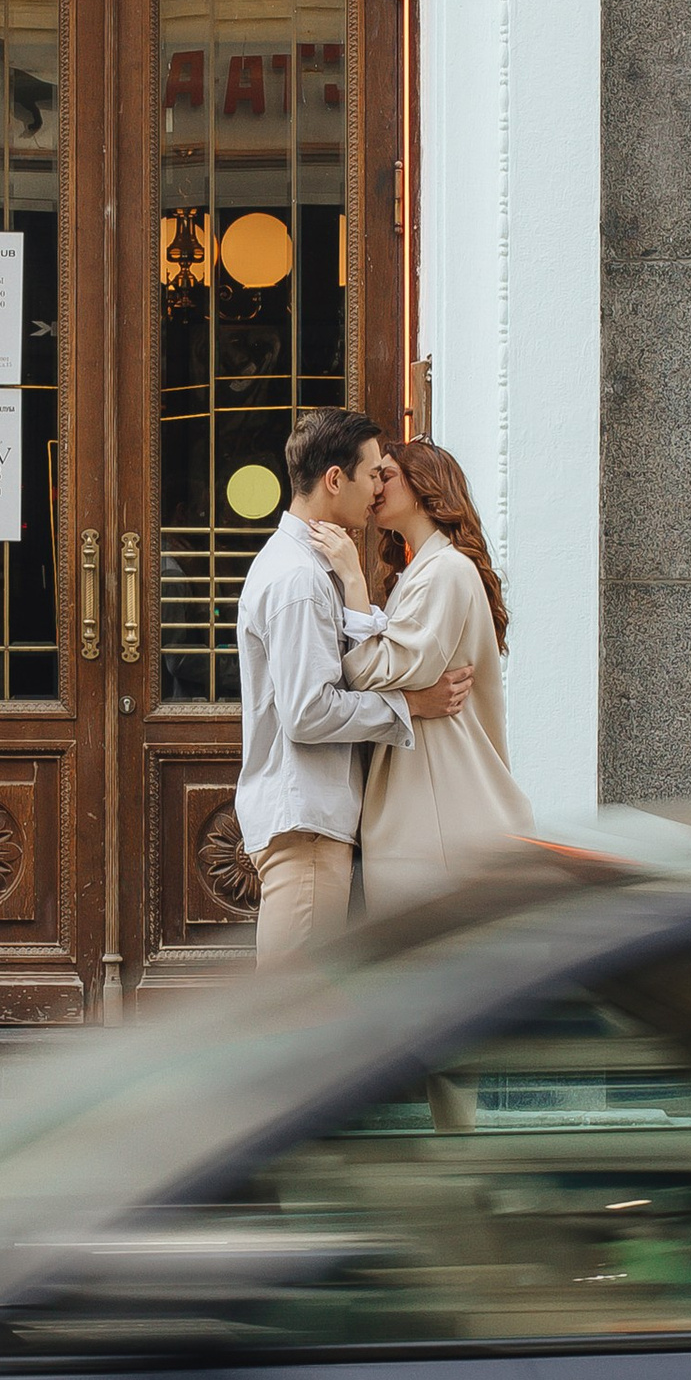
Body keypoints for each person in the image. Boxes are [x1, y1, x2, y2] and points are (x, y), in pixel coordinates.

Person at [234, 405, 474, 962]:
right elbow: (308, 712)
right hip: (307, 822)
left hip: (311, 818)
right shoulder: (297, 578)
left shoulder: (304, 566)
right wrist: (410, 705)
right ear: (334, 479)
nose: (376, 489)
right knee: (293, 1006)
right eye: (371, 474)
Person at [336, 435, 534, 916]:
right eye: (374, 475)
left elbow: (374, 669)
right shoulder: (422, 573)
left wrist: (353, 583)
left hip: (439, 806)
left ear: (425, 486)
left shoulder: (445, 570)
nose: (376, 486)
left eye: (387, 474)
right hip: (430, 799)